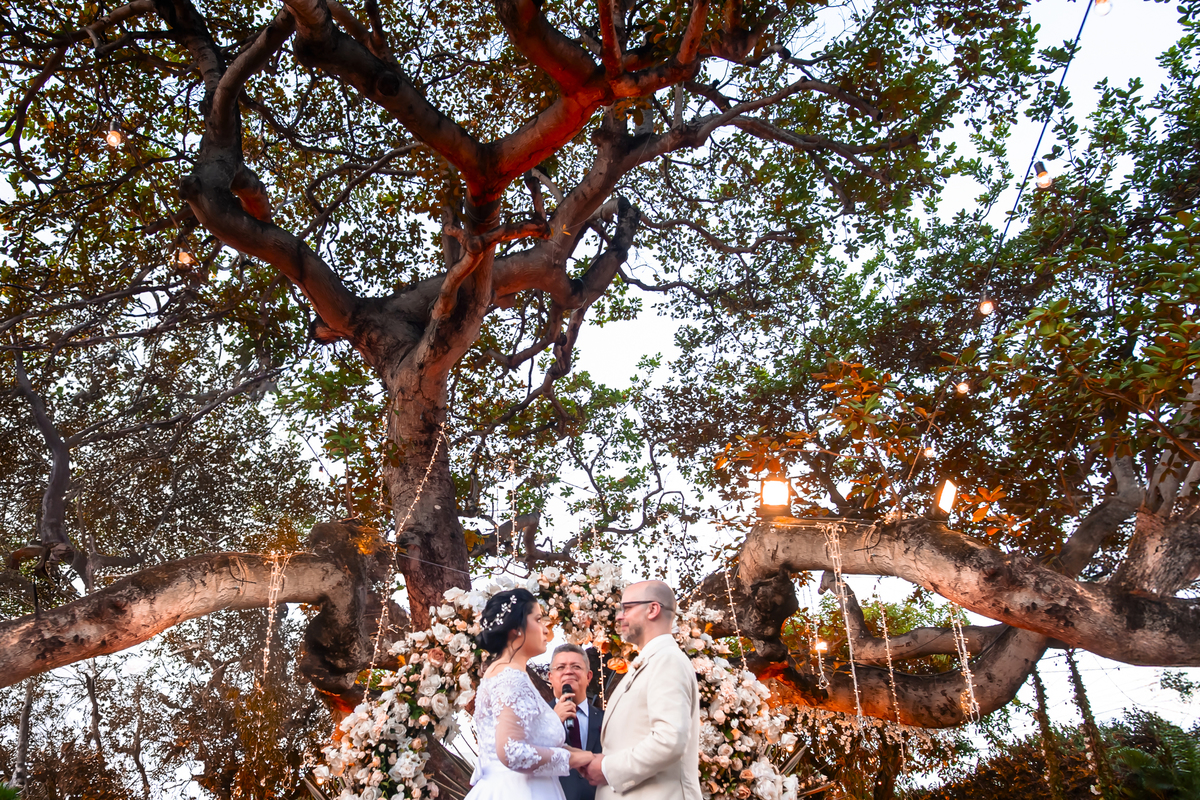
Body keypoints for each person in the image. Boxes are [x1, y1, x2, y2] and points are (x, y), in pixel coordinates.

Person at [466, 588, 595, 800]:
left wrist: (581, 756)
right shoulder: (510, 677)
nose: (546, 630)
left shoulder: (511, 673)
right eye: (538, 620)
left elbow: (531, 740)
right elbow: (511, 751)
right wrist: (570, 760)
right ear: (516, 628)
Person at [581, 581, 701, 800]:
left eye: (627, 608)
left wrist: (608, 769)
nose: (619, 616)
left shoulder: (667, 660)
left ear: (653, 609)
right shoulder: (647, 663)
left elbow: (670, 740)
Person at [546, 643, 605, 800]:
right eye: (560, 667)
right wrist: (552, 721)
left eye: (576, 666)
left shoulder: (607, 719)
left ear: (588, 676)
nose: (568, 671)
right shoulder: (537, 718)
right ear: (550, 677)